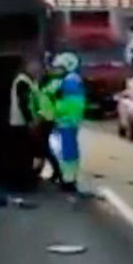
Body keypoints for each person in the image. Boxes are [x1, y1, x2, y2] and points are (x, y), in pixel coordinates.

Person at [50, 52, 86, 192]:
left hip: (67, 122)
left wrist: (53, 109)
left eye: (59, 67)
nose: (56, 70)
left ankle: (68, 180)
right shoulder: (72, 80)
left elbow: (70, 105)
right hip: (69, 122)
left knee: (67, 152)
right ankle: (68, 178)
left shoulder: (70, 81)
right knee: (68, 151)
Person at [7, 60, 39, 187]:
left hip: (19, 123)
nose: (37, 70)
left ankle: (22, 180)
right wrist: (30, 120)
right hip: (20, 123)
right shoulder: (23, 81)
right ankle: (22, 182)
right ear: (27, 68)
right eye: (34, 67)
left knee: (22, 154)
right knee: (23, 155)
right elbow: (24, 103)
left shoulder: (26, 81)